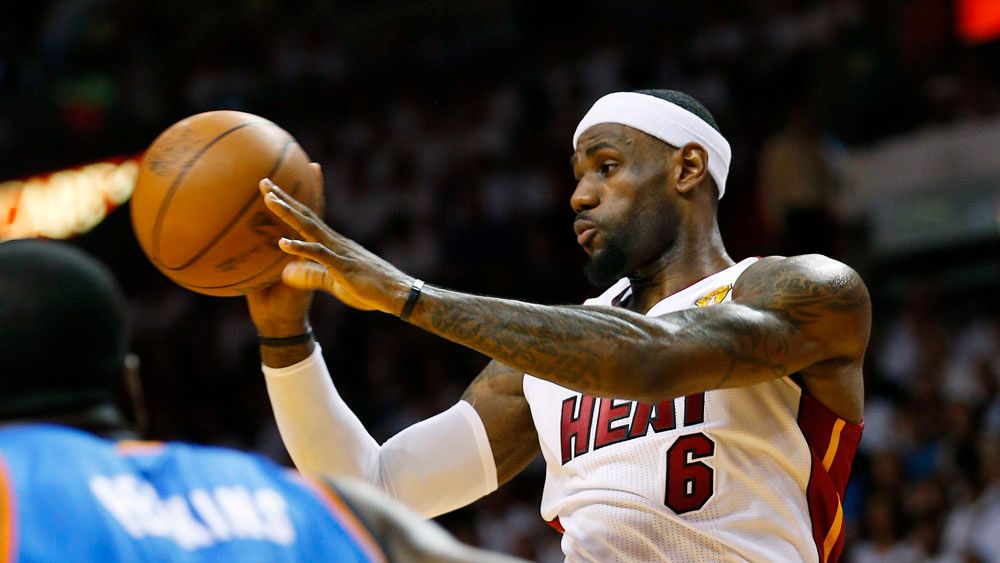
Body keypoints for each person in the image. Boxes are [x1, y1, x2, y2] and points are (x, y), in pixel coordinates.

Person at [248, 89, 870, 562]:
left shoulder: (807, 291)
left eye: (606, 167)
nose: (579, 196)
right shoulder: (549, 357)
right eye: (578, 176)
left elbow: (652, 360)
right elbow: (372, 488)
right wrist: (284, 338)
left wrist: (407, 295)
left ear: (686, 168)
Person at [0, 239, 524, 563]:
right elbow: (383, 498)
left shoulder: (15, 490)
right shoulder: (273, 492)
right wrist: (284, 334)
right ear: (130, 389)